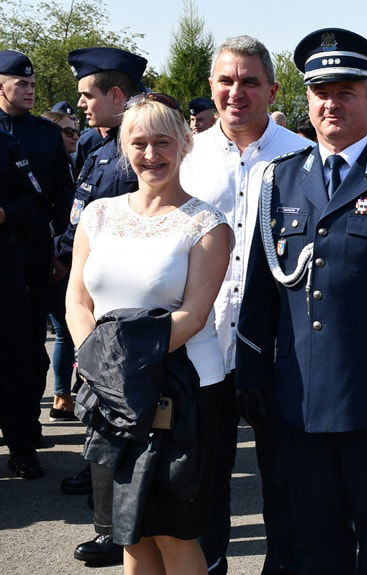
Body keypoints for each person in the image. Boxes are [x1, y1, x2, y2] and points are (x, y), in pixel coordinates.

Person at [235, 27, 367, 574]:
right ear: (306, 99)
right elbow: (261, 289)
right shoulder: (277, 182)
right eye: (321, 92)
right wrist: (252, 373)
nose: (332, 103)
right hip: (296, 398)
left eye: (346, 91)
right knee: (310, 537)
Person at [65, 92, 232, 574]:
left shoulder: (206, 224)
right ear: (123, 147)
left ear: (185, 144)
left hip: (180, 395)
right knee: (129, 533)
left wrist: (119, 368)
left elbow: (195, 314)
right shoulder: (98, 214)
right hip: (110, 393)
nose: (151, 155)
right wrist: (95, 363)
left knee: (174, 533)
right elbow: (78, 300)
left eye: (163, 142)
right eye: (139, 143)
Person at [178, 34, 308, 575]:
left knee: (286, 484)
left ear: (272, 90)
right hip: (201, 348)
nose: (237, 92)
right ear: (211, 87)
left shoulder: (301, 157)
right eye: (226, 81)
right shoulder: (184, 158)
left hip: (279, 354)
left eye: (250, 81)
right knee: (203, 485)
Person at [58, 46, 148, 567]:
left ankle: (116, 529)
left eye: (88, 96)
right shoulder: (97, 147)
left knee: (120, 420)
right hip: (86, 289)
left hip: (121, 307)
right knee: (98, 413)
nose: (81, 105)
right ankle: (101, 498)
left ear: (117, 95)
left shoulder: (131, 153)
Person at [0, 50, 76, 438]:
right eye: (22, 84)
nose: (30, 90)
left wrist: (62, 252)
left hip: (33, 253)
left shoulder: (46, 134)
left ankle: (25, 430)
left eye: (32, 84)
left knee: (30, 345)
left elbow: (64, 199)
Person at [0, 130, 43, 479]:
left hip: (3, 271)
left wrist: (5, 212)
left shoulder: (4, 143)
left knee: (13, 360)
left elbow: (32, 200)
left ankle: (22, 448)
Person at [41, 109, 80, 421]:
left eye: (74, 130)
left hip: (57, 256)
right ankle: (59, 396)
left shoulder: (68, 160)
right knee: (60, 330)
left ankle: (61, 396)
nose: (74, 136)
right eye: (66, 131)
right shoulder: (50, 161)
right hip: (49, 256)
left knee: (63, 330)